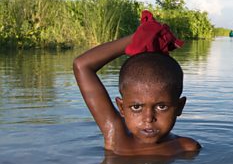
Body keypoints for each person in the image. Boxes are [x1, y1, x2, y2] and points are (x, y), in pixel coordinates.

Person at [73, 10, 201, 156]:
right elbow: (82, 65)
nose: (148, 118)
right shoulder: (117, 137)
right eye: (136, 107)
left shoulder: (186, 147)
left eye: (161, 106)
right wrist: (139, 37)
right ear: (121, 107)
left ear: (179, 107)